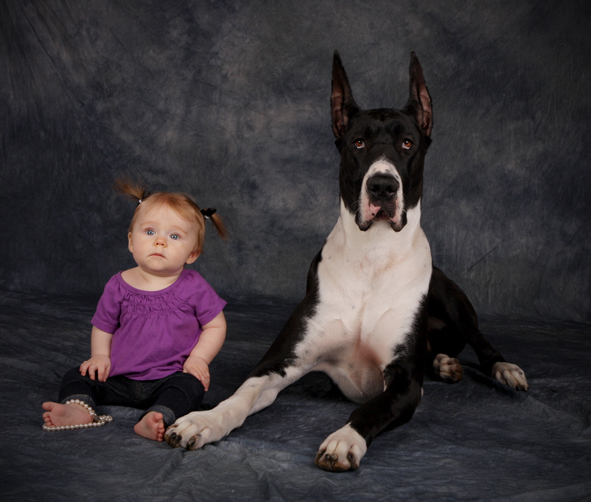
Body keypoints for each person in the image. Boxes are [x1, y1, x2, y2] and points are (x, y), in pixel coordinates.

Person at [42, 179, 228, 441]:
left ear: (192, 254)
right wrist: (100, 357)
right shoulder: (118, 284)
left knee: (191, 387)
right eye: (150, 232)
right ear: (131, 241)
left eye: (174, 236)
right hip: (118, 377)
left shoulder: (194, 286)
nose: (160, 242)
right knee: (79, 374)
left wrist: (199, 358)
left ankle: (157, 417)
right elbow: (103, 325)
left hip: (169, 378)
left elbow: (215, 325)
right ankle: (78, 409)